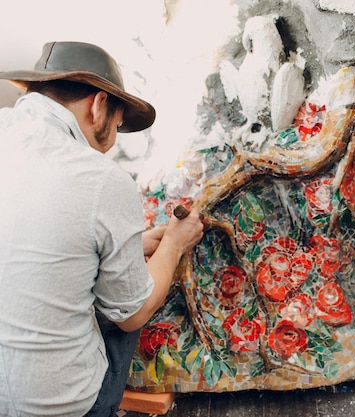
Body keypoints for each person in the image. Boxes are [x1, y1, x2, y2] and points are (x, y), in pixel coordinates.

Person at [0, 41, 204, 416]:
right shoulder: (101, 178)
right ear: (98, 106)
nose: (112, 142)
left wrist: (133, 243)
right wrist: (174, 244)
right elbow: (134, 313)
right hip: (59, 406)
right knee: (124, 305)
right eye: (118, 123)